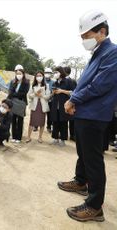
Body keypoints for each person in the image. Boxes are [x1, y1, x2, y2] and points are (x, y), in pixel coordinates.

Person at [58, 10, 117, 222]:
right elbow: (86, 83)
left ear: (101, 31)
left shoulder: (113, 53)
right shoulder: (98, 53)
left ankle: (94, 207)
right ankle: (81, 182)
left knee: (93, 160)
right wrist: (74, 100)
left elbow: (99, 85)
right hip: (85, 112)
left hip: (95, 115)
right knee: (83, 153)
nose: (83, 40)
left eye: (86, 35)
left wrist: (73, 99)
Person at [50, 66, 75, 147]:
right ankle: (55, 138)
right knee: (55, 122)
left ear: (61, 72)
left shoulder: (68, 82)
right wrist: (53, 92)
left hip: (64, 105)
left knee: (63, 122)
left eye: (56, 72)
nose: (55, 74)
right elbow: (52, 94)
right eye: (54, 72)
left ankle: (63, 140)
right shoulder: (55, 82)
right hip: (55, 105)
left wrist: (62, 91)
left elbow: (73, 92)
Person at [26, 71, 50, 143]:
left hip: (42, 106)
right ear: (35, 77)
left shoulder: (46, 86)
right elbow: (29, 96)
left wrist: (41, 95)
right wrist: (35, 94)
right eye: (37, 76)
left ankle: (40, 137)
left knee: (42, 122)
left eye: (40, 76)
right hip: (35, 106)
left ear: (43, 77)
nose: (39, 77)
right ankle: (28, 137)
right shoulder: (33, 86)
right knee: (32, 121)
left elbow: (48, 97)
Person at [7, 68, 30, 143]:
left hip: (21, 102)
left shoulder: (26, 82)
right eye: (17, 73)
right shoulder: (13, 81)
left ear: (23, 74)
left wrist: (14, 94)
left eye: (20, 73)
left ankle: (19, 137)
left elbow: (24, 93)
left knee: (20, 120)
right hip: (13, 102)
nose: (18, 75)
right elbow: (10, 91)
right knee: (13, 120)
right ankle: (13, 136)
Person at [64, 66, 77, 141]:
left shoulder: (68, 81)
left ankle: (66, 135)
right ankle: (72, 135)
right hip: (71, 102)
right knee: (71, 120)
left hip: (67, 102)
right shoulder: (73, 81)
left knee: (66, 119)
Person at [44, 67, 54, 133]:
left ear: (51, 74)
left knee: (49, 115)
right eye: (46, 73)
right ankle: (36, 126)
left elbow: (53, 91)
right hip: (42, 100)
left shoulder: (53, 82)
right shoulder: (42, 81)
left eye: (49, 73)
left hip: (50, 100)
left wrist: (50, 96)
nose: (47, 74)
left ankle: (49, 126)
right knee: (40, 113)